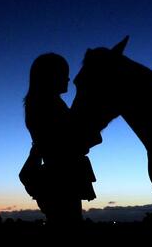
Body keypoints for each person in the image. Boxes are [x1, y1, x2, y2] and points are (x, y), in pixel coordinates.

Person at [21, 53, 98, 225]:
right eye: (64, 74)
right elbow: (67, 140)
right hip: (61, 176)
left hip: (58, 174)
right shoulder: (48, 105)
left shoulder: (45, 103)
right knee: (67, 223)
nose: (68, 79)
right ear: (50, 77)